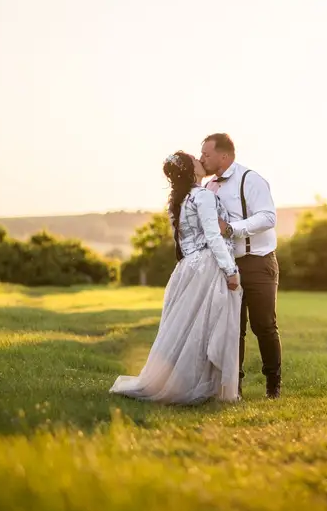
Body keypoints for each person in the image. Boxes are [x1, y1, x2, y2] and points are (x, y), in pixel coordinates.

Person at [109, 151, 242, 404]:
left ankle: (190, 382)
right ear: (190, 170)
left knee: (188, 328)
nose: (200, 161)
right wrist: (230, 270)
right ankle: (198, 387)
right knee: (207, 327)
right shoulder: (202, 196)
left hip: (187, 268)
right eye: (195, 159)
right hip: (207, 267)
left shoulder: (178, 201)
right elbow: (213, 236)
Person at [200, 133, 282, 399]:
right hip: (226, 267)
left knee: (264, 326)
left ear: (224, 156)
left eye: (207, 154)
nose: (203, 158)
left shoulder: (251, 179)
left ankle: (273, 386)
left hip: (258, 263)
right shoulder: (209, 187)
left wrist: (234, 229)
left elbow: (268, 217)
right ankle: (234, 388)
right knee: (234, 329)